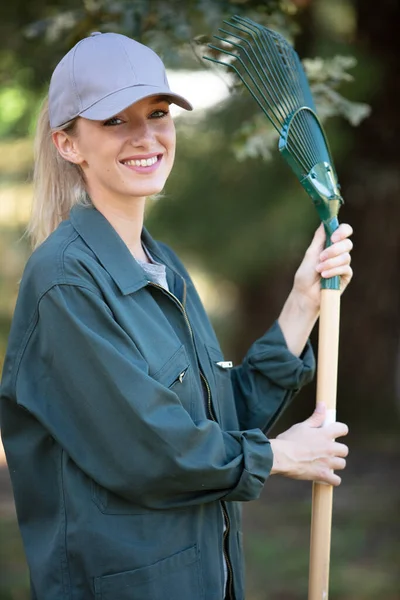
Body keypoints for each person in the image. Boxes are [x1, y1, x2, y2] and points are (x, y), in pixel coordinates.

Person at [0, 32, 353, 600]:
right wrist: (280, 457)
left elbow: (218, 424)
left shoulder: (163, 265)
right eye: (116, 120)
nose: (147, 136)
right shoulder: (64, 280)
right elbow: (148, 451)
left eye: (158, 113)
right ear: (69, 144)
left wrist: (303, 302)